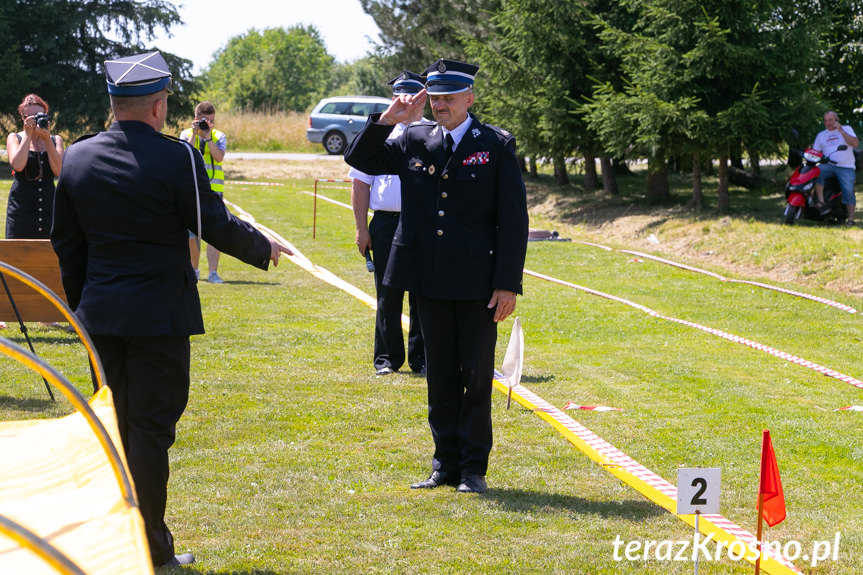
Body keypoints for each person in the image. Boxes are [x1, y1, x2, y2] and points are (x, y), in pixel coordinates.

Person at [50, 51, 291, 568]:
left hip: (101, 319)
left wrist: (81, 309)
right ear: (158, 107)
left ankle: (118, 540)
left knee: (116, 428)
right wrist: (262, 247)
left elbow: (65, 246)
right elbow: (214, 222)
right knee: (151, 432)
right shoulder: (177, 157)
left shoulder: (77, 157)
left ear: (113, 105)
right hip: (158, 320)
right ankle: (150, 548)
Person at [344, 59, 529, 494]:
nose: (441, 104)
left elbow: (513, 219)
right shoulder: (413, 137)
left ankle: (472, 468)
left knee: (476, 374)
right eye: (436, 97)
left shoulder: (495, 144)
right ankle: (443, 463)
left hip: (478, 282)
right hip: (427, 277)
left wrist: (507, 283)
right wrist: (388, 119)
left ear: (469, 98)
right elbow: (360, 159)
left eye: (449, 97)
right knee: (440, 375)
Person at [347, 71, 427, 377]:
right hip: (385, 223)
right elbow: (360, 183)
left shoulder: (433, 134)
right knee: (387, 293)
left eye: (412, 97)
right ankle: (387, 359)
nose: (406, 103)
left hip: (420, 223)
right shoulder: (380, 136)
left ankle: (422, 359)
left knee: (422, 293)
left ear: (423, 100)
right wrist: (361, 227)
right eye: (399, 96)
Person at [5, 94, 64, 238]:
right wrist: (27, 136)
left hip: (49, 207)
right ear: (22, 118)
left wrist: (47, 140)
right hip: (21, 209)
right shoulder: (15, 138)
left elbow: (59, 171)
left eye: (38, 116)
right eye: (28, 117)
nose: (33, 121)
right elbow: (18, 165)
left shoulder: (56, 140)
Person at [181, 101, 227, 282]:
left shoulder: (218, 136)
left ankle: (213, 273)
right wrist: (195, 133)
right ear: (195, 119)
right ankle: (194, 270)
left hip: (214, 190)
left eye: (210, 121)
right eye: (203, 121)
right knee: (191, 234)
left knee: (215, 233)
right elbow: (186, 154)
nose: (206, 124)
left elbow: (219, 157)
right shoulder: (186, 134)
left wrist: (208, 137)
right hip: (191, 190)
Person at [812, 110, 858, 225]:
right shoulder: (821, 135)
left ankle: (851, 219)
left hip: (845, 167)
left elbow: (855, 143)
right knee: (817, 171)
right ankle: (821, 202)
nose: (828, 123)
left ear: (837, 120)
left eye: (831, 120)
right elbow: (815, 153)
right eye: (826, 121)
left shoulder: (846, 129)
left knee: (848, 189)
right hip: (829, 166)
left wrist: (841, 130)